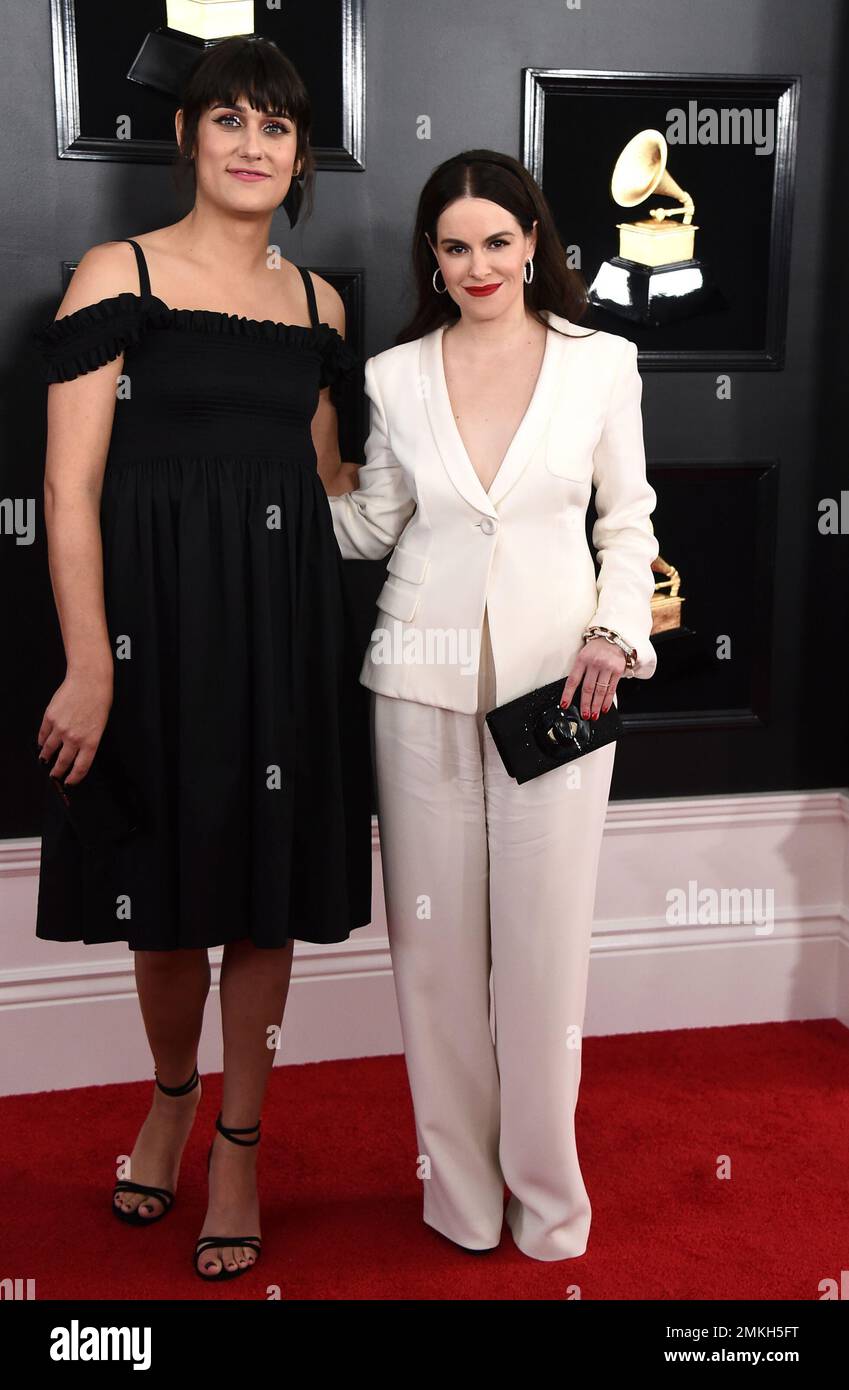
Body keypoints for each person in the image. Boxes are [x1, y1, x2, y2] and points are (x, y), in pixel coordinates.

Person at [31, 36, 371, 1282]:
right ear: (187, 139)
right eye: (226, 119)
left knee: (265, 901)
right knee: (163, 905)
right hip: (150, 629)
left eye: (274, 126)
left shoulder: (322, 305)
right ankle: (171, 1096)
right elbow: (67, 490)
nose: (249, 143)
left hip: (282, 626)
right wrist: (90, 662)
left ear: (299, 156)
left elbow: (334, 483)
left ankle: (240, 1140)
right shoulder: (115, 272)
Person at [327, 149, 659, 1261]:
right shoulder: (393, 374)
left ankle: (550, 1203)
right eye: (455, 246)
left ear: (534, 243)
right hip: (416, 687)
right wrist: (295, 449)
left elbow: (629, 521)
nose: (479, 265)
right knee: (432, 958)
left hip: (560, 688)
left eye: (499, 242)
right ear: (434, 254)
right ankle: (461, 1198)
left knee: (542, 950)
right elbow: (373, 525)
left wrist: (616, 631)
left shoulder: (602, 362)